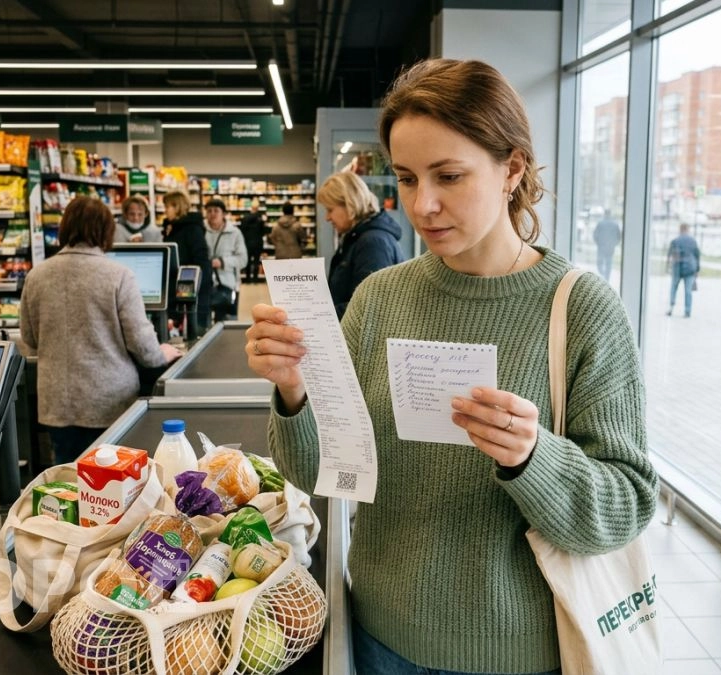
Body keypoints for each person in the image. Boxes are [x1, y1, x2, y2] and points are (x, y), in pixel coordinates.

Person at [245, 58, 656, 674]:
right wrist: (294, 391)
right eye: (407, 179)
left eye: (449, 175)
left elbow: (626, 504)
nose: (424, 204)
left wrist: (531, 456)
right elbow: (326, 475)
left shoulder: (581, 308)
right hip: (382, 634)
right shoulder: (379, 298)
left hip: (524, 653)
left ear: (512, 168)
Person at [20, 196, 181, 463]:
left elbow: (30, 338)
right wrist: (162, 353)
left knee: (69, 478)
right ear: (107, 231)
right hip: (108, 400)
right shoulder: (118, 275)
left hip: (56, 402)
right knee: (111, 484)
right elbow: (142, 345)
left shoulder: (37, 275)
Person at [319, 171, 406, 318]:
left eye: (330, 210)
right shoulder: (356, 237)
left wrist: (319, 315)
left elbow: (370, 306)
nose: (327, 218)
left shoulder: (373, 243)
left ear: (349, 204)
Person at [161, 190, 214, 341]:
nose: (165, 210)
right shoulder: (173, 228)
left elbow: (201, 262)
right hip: (177, 291)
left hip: (190, 294)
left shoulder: (192, 229)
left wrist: (193, 291)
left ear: (177, 206)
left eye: (167, 206)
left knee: (194, 337)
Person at [202, 198, 247, 323]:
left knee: (227, 324)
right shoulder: (200, 231)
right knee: (204, 324)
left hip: (228, 284)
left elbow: (243, 259)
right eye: (209, 211)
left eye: (216, 211)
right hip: (205, 284)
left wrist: (222, 262)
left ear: (223, 214)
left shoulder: (234, 233)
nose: (212, 214)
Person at [666, 222, 700, 317]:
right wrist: (697, 270)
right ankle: (687, 311)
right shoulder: (693, 241)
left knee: (673, 288)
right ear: (687, 230)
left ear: (680, 229)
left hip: (677, 268)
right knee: (688, 291)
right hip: (690, 269)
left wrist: (668, 266)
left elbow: (670, 255)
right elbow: (697, 256)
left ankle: (671, 308)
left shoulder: (675, 241)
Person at [238, 202, 267, 283]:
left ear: (251, 208)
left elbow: (242, 230)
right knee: (256, 261)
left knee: (247, 261)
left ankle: (247, 279)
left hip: (247, 243)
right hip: (257, 243)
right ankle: (255, 279)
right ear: (257, 208)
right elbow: (263, 231)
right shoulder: (260, 218)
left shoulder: (245, 218)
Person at [592, 209, 621, 280]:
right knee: (609, 263)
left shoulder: (600, 223)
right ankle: (606, 278)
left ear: (605, 214)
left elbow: (595, 234)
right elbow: (619, 236)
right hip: (610, 247)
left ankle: (602, 275)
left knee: (600, 263)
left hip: (601, 246)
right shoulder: (615, 224)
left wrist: (598, 243)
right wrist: (614, 244)